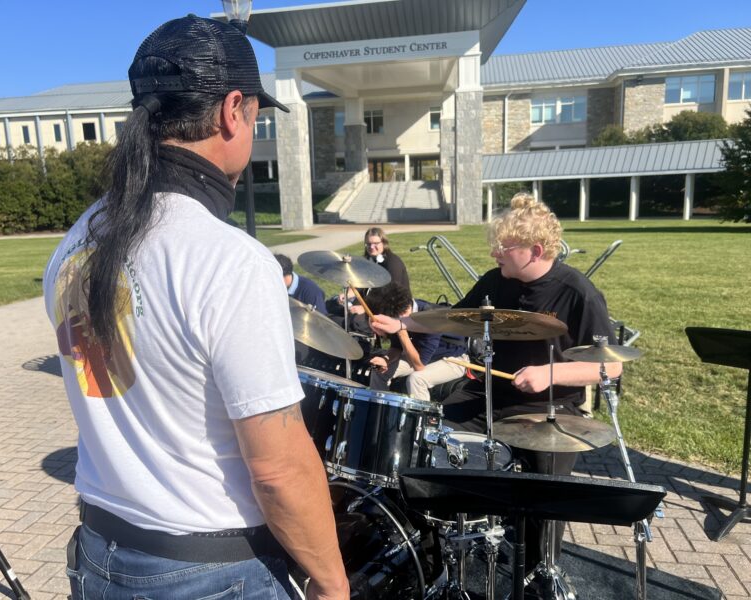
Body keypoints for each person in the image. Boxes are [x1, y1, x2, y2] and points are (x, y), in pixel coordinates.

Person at [43, 15, 348, 600]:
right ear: (234, 109)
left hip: (101, 552)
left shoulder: (75, 241)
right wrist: (333, 583)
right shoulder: (230, 260)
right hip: (209, 571)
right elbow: (278, 469)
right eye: (256, 117)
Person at [371, 193, 620, 578]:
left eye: (504, 248)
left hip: (550, 406)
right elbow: (454, 319)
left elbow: (611, 368)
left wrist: (549, 374)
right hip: (487, 392)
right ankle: (436, 551)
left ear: (535, 250)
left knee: (543, 496)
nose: (495, 255)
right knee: (429, 443)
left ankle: (540, 573)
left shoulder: (577, 293)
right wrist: (402, 324)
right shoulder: (496, 281)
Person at [366, 283, 467, 402]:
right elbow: (396, 348)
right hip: (420, 355)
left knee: (416, 379)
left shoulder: (430, 318)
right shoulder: (395, 314)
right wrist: (386, 360)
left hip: (453, 359)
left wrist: (401, 330)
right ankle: (379, 412)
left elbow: (419, 366)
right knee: (379, 372)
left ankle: (421, 418)